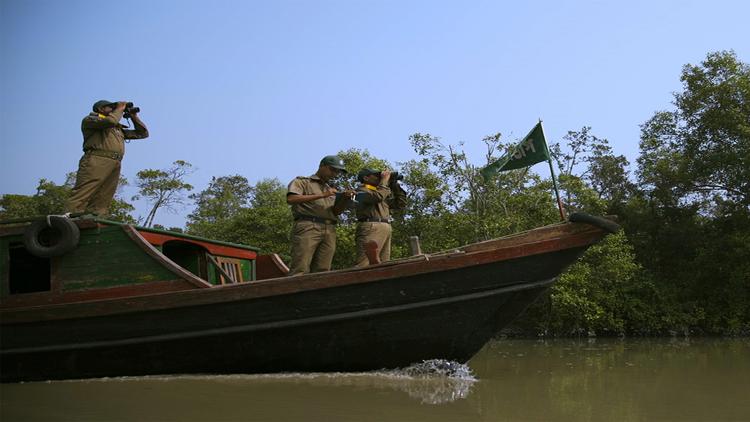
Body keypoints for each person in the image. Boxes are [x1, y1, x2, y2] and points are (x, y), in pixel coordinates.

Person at [65, 100, 149, 217]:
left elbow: (143, 133)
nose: (114, 109)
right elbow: (110, 120)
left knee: (105, 194)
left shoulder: (116, 127)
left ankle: (96, 217)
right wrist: (120, 108)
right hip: (96, 159)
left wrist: (133, 117)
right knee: (84, 190)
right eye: (111, 107)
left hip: (115, 162)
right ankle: (69, 217)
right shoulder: (90, 120)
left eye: (115, 107)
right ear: (100, 109)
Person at [286, 155, 354, 275]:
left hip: (329, 228)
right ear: (322, 166)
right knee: (300, 268)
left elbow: (335, 212)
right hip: (308, 226)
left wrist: (344, 199)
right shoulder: (303, 182)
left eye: (337, 171)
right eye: (332, 169)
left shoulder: (331, 189)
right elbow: (291, 199)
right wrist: (323, 195)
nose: (335, 174)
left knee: (323, 270)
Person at [354, 168, 407, 267]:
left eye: (380, 176)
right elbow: (377, 197)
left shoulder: (381, 192)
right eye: (376, 176)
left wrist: (394, 185)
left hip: (385, 227)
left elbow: (400, 203)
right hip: (371, 226)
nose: (379, 178)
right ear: (366, 178)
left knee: (383, 264)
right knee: (364, 263)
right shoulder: (361, 190)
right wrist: (384, 182)